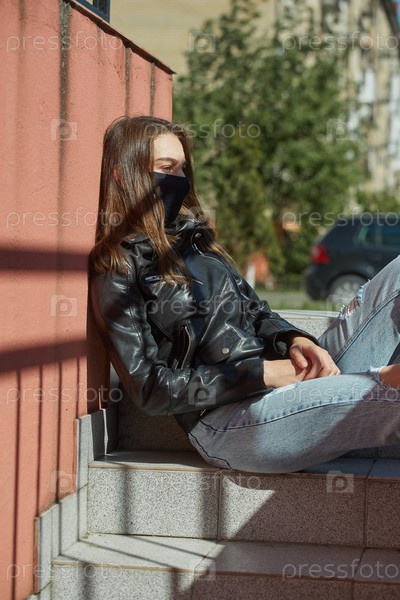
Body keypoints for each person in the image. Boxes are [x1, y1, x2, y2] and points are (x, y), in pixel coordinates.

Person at [89, 115, 400, 474]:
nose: (180, 179)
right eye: (166, 168)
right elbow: (150, 389)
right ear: (123, 175)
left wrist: (296, 340)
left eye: (182, 168)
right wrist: (264, 374)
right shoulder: (117, 266)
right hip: (229, 421)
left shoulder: (197, 242)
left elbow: (257, 312)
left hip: (287, 379)